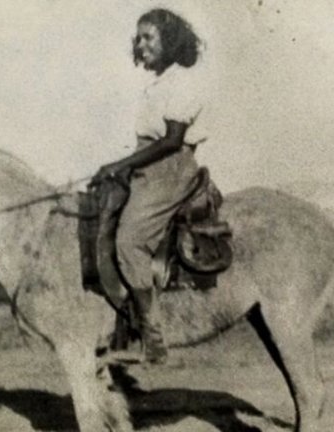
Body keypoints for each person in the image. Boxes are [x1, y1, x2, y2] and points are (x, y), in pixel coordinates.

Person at [92, 8, 208, 364]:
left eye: (149, 38)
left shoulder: (183, 81)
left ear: (170, 41)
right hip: (151, 165)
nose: (141, 45)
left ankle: (155, 340)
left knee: (130, 240)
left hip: (171, 169)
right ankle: (121, 326)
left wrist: (121, 164)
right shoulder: (157, 84)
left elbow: (173, 140)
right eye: (138, 38)